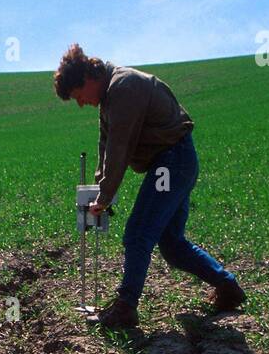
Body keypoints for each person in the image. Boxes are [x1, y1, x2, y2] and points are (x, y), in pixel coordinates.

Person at [54, 43, 246, 329]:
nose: (82, 104)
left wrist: (106, 197)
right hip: (171, 163)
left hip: (171, 162)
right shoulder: (109, 98)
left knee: (137, 234)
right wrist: (97, 190)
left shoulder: (124, 88)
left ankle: (126, 307)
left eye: (79, 96)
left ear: (87, 80)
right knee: (171, 244)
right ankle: (228, 287)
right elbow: (105, 148)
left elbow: (120, 147)